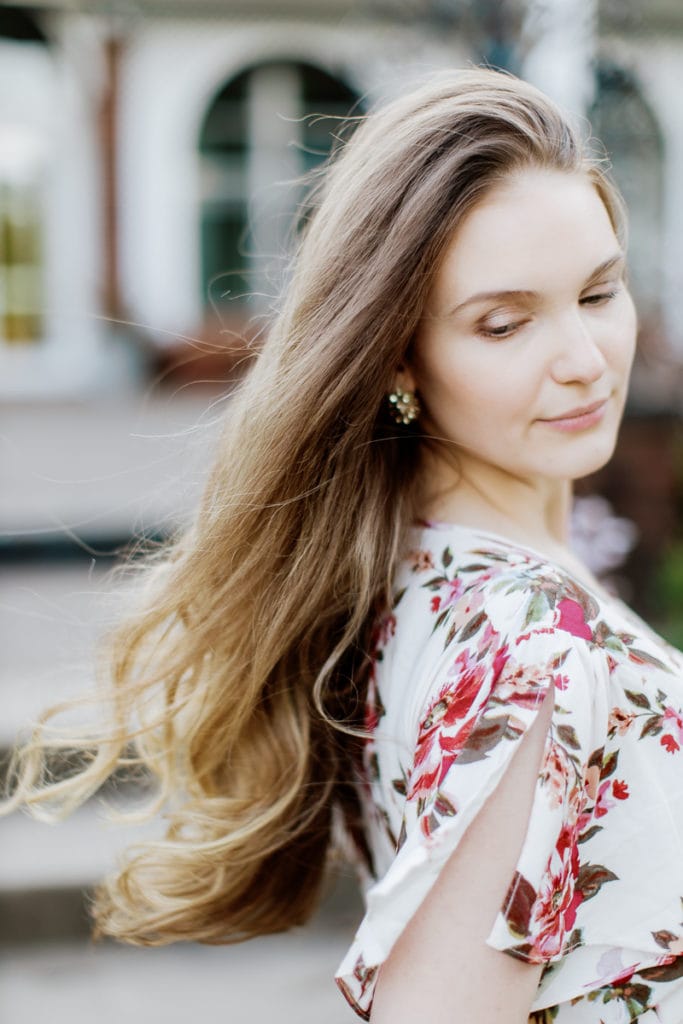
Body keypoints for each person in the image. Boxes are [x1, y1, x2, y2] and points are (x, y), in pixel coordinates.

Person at [4, 68, 683, 1023]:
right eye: (504, 322)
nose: (583, 359)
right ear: (400, 354)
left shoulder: (407, 565)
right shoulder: (537, 649)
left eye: (600, 292)